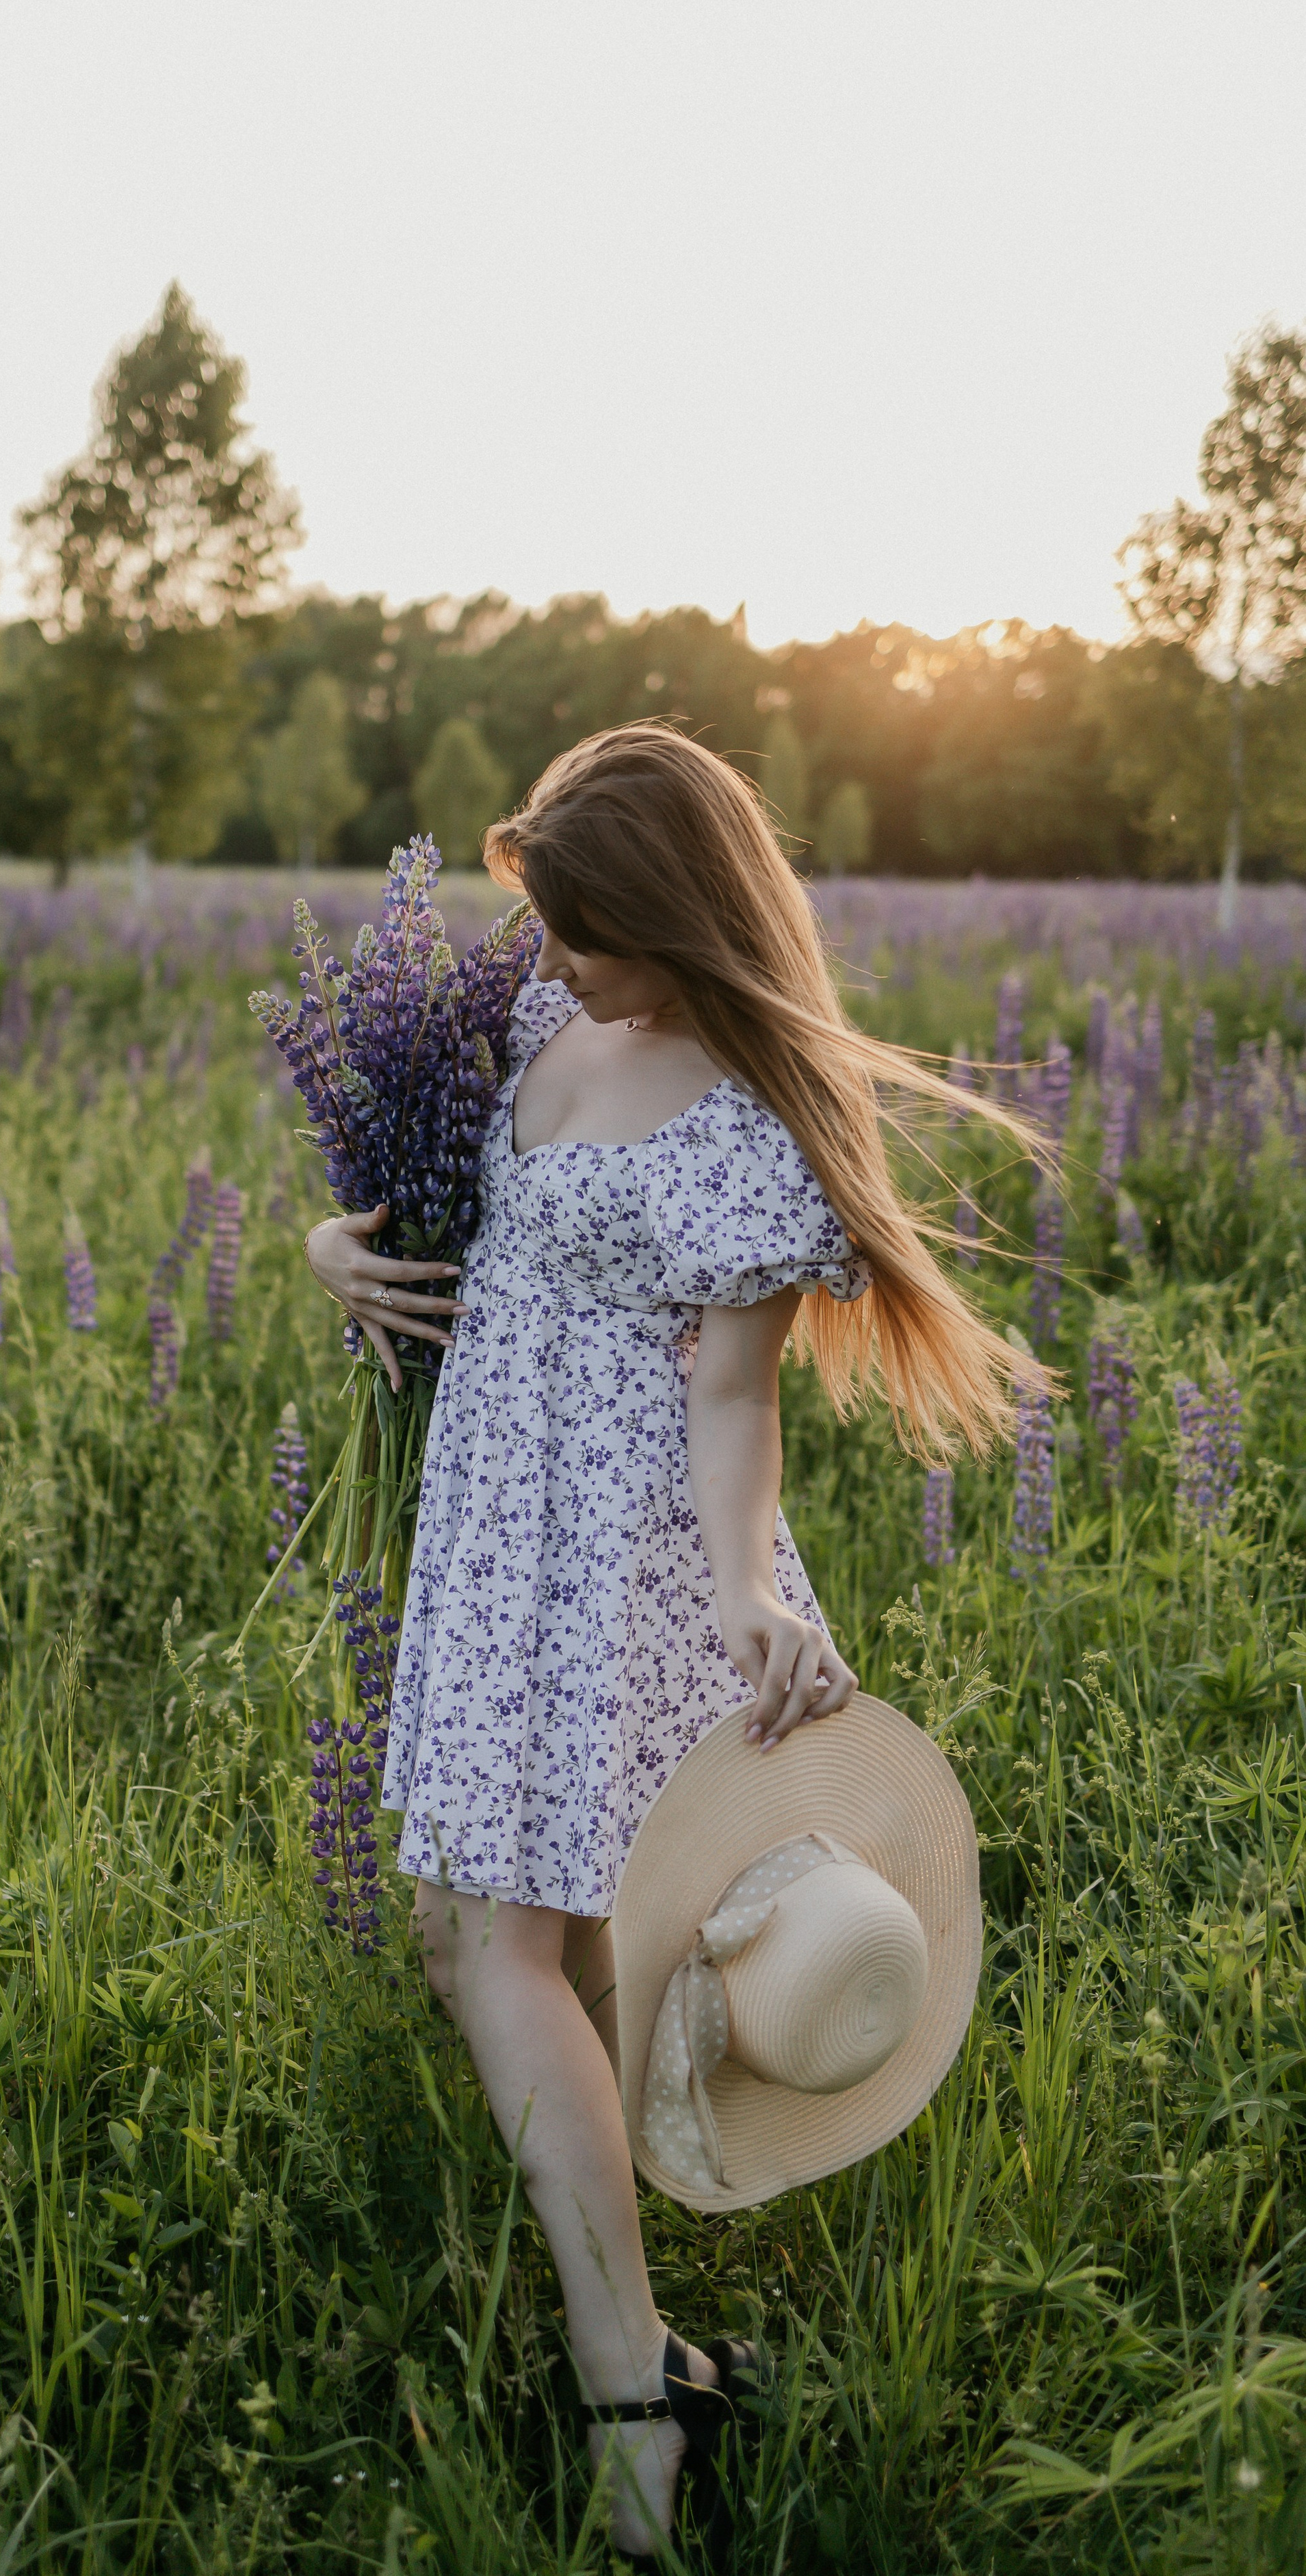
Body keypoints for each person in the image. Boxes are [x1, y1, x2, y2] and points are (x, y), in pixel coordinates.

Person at [302, 725, 1040, 2562]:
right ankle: (656, 2351)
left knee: (499, 1941)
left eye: (587, 933)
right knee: (510, 1932)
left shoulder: (748, 1118)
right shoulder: (548, 1038)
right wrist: (338, 1249)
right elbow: (446, 1230)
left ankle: (630, 2380)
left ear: (685, 926)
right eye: (543, 923)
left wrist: (748, 1593)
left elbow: (732, 1400)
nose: (550, 959)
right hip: (485, 1543)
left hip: (618, 1562)